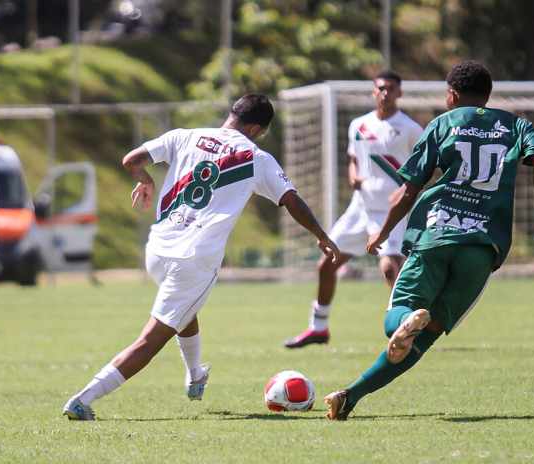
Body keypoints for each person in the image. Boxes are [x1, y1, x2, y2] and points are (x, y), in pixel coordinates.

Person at [62, 94, 340, 420]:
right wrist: (322, 235)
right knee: (150, 341)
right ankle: (83, 399)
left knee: (184, 308)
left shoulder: (184, 136)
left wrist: (145, 180)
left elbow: (131, 160)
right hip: (194, 258)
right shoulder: (255, 157)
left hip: (159, 250)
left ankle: (195, 374)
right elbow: (292, 201)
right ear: (256, 128)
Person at [323, 61, 534, 420]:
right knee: (427, 335)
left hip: (436, 233)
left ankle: (402, 322)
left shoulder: (443, 123)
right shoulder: (515, 124)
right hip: (483, 245)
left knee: (396, 314)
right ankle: (350, 396)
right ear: (488, 94)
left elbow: (409, 188)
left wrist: (383, 232)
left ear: (452, 95)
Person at [284, 70, 424, 349]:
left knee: (389, 268)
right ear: (374, 92)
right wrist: (353, 174)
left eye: (391, 89)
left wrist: (409, 188)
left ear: (399, 93)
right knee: (326, 263)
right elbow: (353, 157)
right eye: (381, 88)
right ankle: (318, 328)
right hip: (360, 208)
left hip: (390, 211)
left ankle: (406, 328)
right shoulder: (359, 125)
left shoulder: (410, 129)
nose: (385, 93)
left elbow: (423, 167)